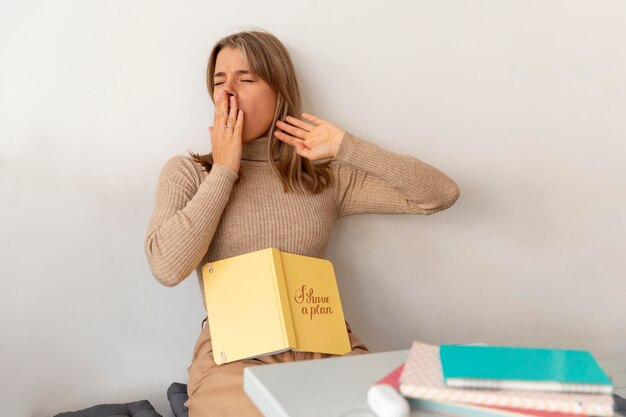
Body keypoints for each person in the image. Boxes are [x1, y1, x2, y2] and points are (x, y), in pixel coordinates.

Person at [144, 29, 460, 417]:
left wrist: (348, 146)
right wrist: (225, 169)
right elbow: (166, 266)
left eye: (245, 79)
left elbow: (438, 194)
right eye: (217, 82)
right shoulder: (189, 173)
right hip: (235, 357)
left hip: (326, 344)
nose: (227, 93)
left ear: (280, 92)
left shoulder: (319, 178)